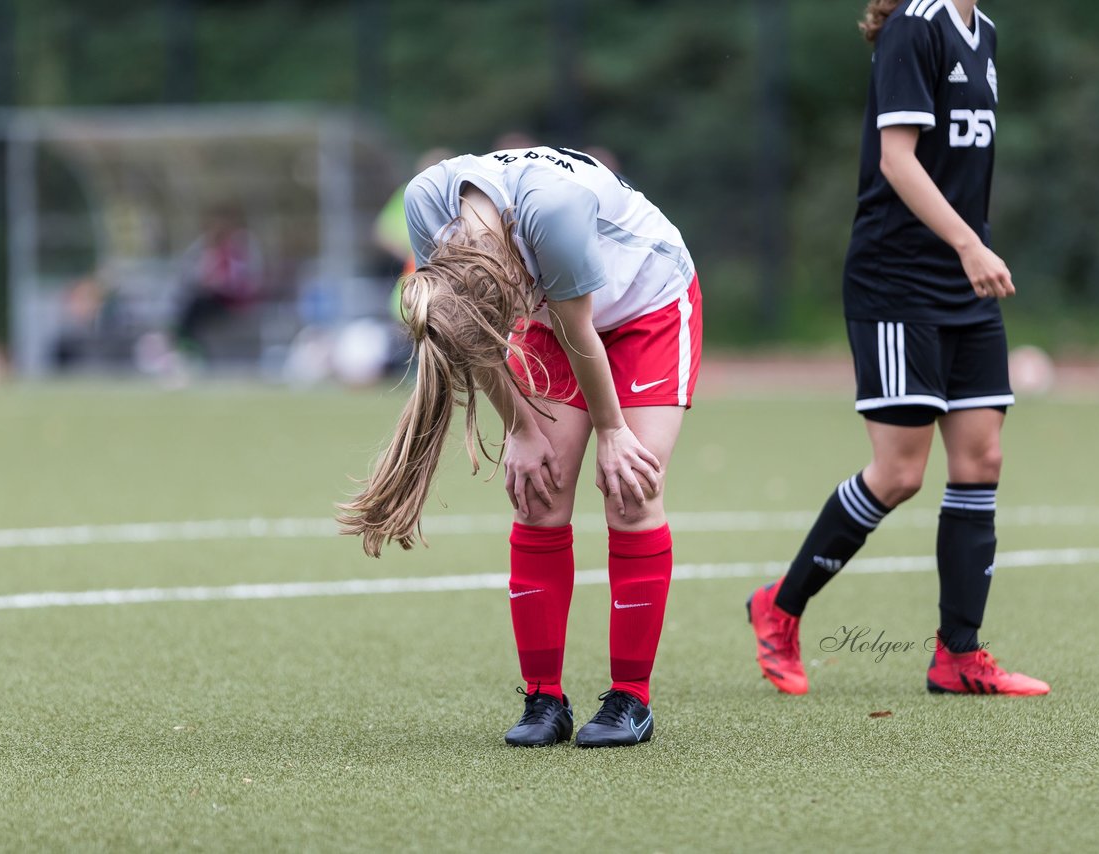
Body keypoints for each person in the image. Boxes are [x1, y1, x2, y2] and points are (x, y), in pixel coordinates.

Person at [338, 145, 702, 747]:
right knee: (539, 494)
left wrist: (613, 432)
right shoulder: (427, 201)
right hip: (553, 314)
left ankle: (630, 699)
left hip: (648, 302)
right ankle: (544, 700)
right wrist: (522, 430)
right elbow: (468, 328)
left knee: (631, 490)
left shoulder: (550, 215)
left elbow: (574, 325)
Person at [747, 0, 1049, 696]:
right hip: (899, 280)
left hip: (963, 281)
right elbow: (898, 159)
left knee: (982, 457)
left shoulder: (986, 33)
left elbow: (968, 160)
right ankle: (779, 608)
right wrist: (970, 242)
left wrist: (974, 240)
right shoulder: (917, 27)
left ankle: (958, 655)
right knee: (900, 472)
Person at [171, 206, 263, 358]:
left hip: (231, 300)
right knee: (190, 307)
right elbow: (193, 272)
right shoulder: (209, 248)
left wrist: (216, 284)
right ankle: (188, 348)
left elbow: (238, 281)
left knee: (194, 309)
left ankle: (191, 351)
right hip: (214, 297)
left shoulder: (238, 246)